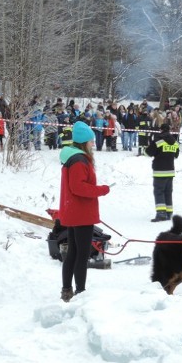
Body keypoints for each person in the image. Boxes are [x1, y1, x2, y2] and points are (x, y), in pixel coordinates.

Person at [58, 121, 110, 302]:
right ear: (84, 142)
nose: (93, 144)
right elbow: (78, 187)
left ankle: (67, 289)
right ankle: (80, 291)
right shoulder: (79, 160)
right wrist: (101, 190)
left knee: (73, 252)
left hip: (75, 212)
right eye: (91, 141)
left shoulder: (73, 157)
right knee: (81, 254)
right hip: (81, 214)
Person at [145, 123, 180, 222]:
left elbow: (148, 152)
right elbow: (176, 155)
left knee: (159, 192)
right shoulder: (174, 141)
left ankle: (161, 213)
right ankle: (169, 213)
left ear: (161, 130)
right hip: (170, 171)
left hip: (160, 171)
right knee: (168, 192)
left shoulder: (158, 140)